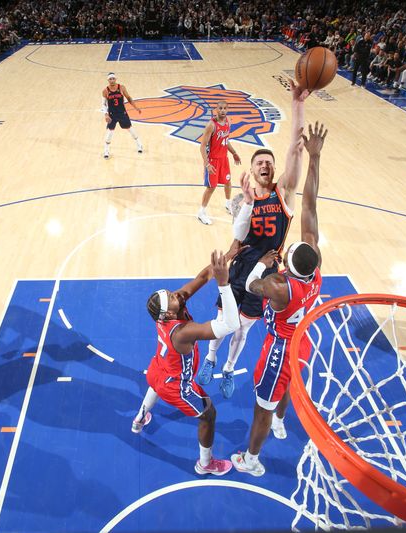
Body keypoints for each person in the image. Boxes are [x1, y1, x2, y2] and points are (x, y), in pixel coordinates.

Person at [197, 80, 308, 399]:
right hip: (241, 267)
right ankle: (211, 358)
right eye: (259, 161)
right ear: (252, 169)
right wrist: (245, 204)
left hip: (266, 275)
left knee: (243, 328)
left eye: (269, 163)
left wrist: (297, 105)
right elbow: (237, 239)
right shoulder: (241, 202)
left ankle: (229, 368)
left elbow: (295, 149)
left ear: (274, 171)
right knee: (221, 321)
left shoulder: (283, 194)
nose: (265, 164)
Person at [231, 122, 326, 476]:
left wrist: (261, 266)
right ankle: (283, 420)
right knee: (287, 387)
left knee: (262, 408)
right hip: (304, 341)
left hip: (280, 348)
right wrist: (314, 159)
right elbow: (311, 209)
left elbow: (255, 286)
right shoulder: (315, 271)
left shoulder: (280, 288)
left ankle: (251, 459)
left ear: (290, 263)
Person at [131, 250, 239, 475]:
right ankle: (205, 464)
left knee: (154, 385)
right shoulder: (182, 332)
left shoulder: (168, 311)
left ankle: (140, 418)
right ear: (168, 315)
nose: (177, 295)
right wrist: (224, 284)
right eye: (172, 298)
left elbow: (201, 278)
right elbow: (230, 325)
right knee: (209, 414)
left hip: (158, 369)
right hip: (176, 385)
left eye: (172, 293)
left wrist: (227, 256)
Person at [197, 100, 241, 225]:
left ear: (228, 109)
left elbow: (226, 140)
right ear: (216, 110)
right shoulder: (211, 125)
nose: (222, 110)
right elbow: (202, 146)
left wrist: (234, 153)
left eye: (225, 108)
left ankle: (228, 204)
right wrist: (207, 164)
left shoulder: (228, 122)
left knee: (227, 182)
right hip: (213, 160)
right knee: (211, 187)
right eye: (220, 108)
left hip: (224, 159)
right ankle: (201, 212)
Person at [102, 72, 142, 159]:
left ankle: (139, 143)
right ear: (108, 80)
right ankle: (106, 150)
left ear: (115, 79)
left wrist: (136, 107)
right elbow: (103, 104)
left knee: (130, 129)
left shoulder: (121, 87)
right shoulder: (105, 91)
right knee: (110, 132)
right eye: (110, 79)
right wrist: (105, 114)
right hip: (112, 114)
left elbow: (129, 98)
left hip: (122, 113)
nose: (112, 80)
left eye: (113, 78)